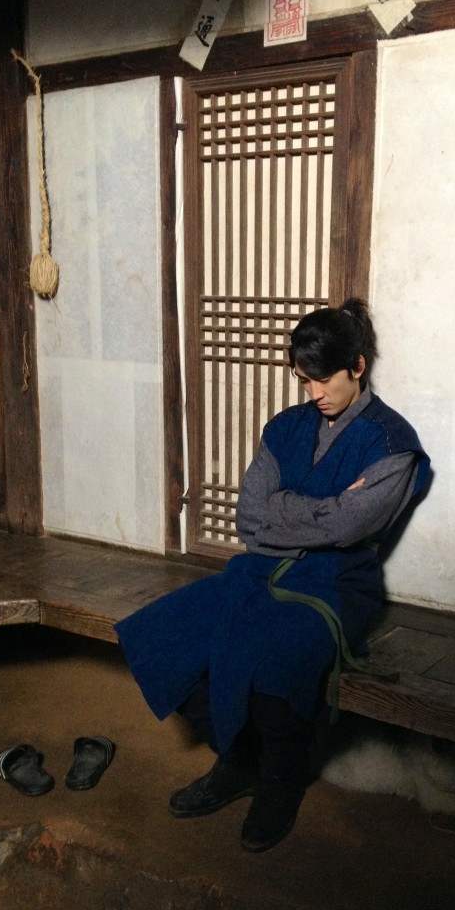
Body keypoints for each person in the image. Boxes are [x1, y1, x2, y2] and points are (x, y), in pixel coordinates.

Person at [114, 298, 430, 852]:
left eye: (325, 379)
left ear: (358, 366)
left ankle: (281, 780)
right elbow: (248, 516)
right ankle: (238, 760)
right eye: (305, 380)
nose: (315, 393)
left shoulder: (390, 442)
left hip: (336, 582)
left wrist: (284, 509)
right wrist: (317, 512)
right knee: (163, 634)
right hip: (258, 569)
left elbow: (350, 528)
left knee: (278, 661)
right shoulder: (285, 428)